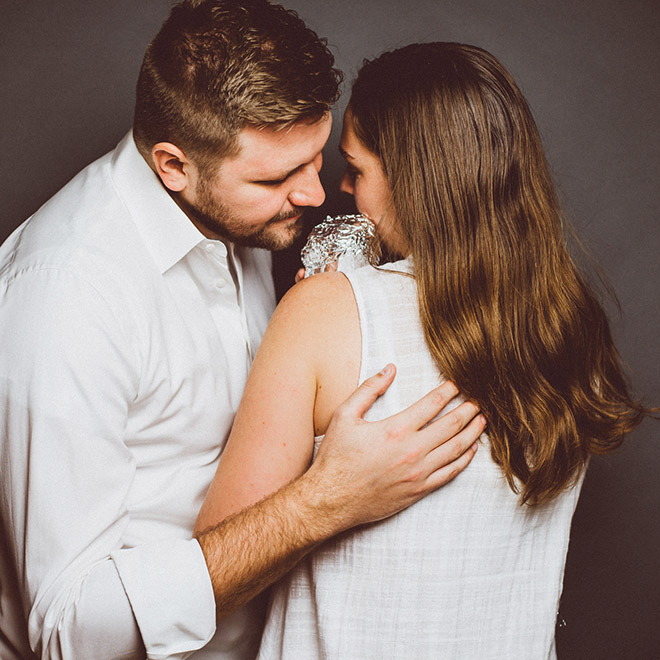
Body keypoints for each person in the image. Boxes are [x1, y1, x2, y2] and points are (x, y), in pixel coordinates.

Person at [0, 6, 485, 660]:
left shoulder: (240, 217)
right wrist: (321, 502)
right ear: (174, 165)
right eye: (275, 177)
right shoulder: (67, 295)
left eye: (315, 158)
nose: (314, 194)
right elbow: (67, 629)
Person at [195, 42, 650, 659]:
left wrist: (330, 305)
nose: (343, 189)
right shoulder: (566, 325)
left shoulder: (328, 310)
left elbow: (207, 580)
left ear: (414, 176)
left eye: (356, 169)